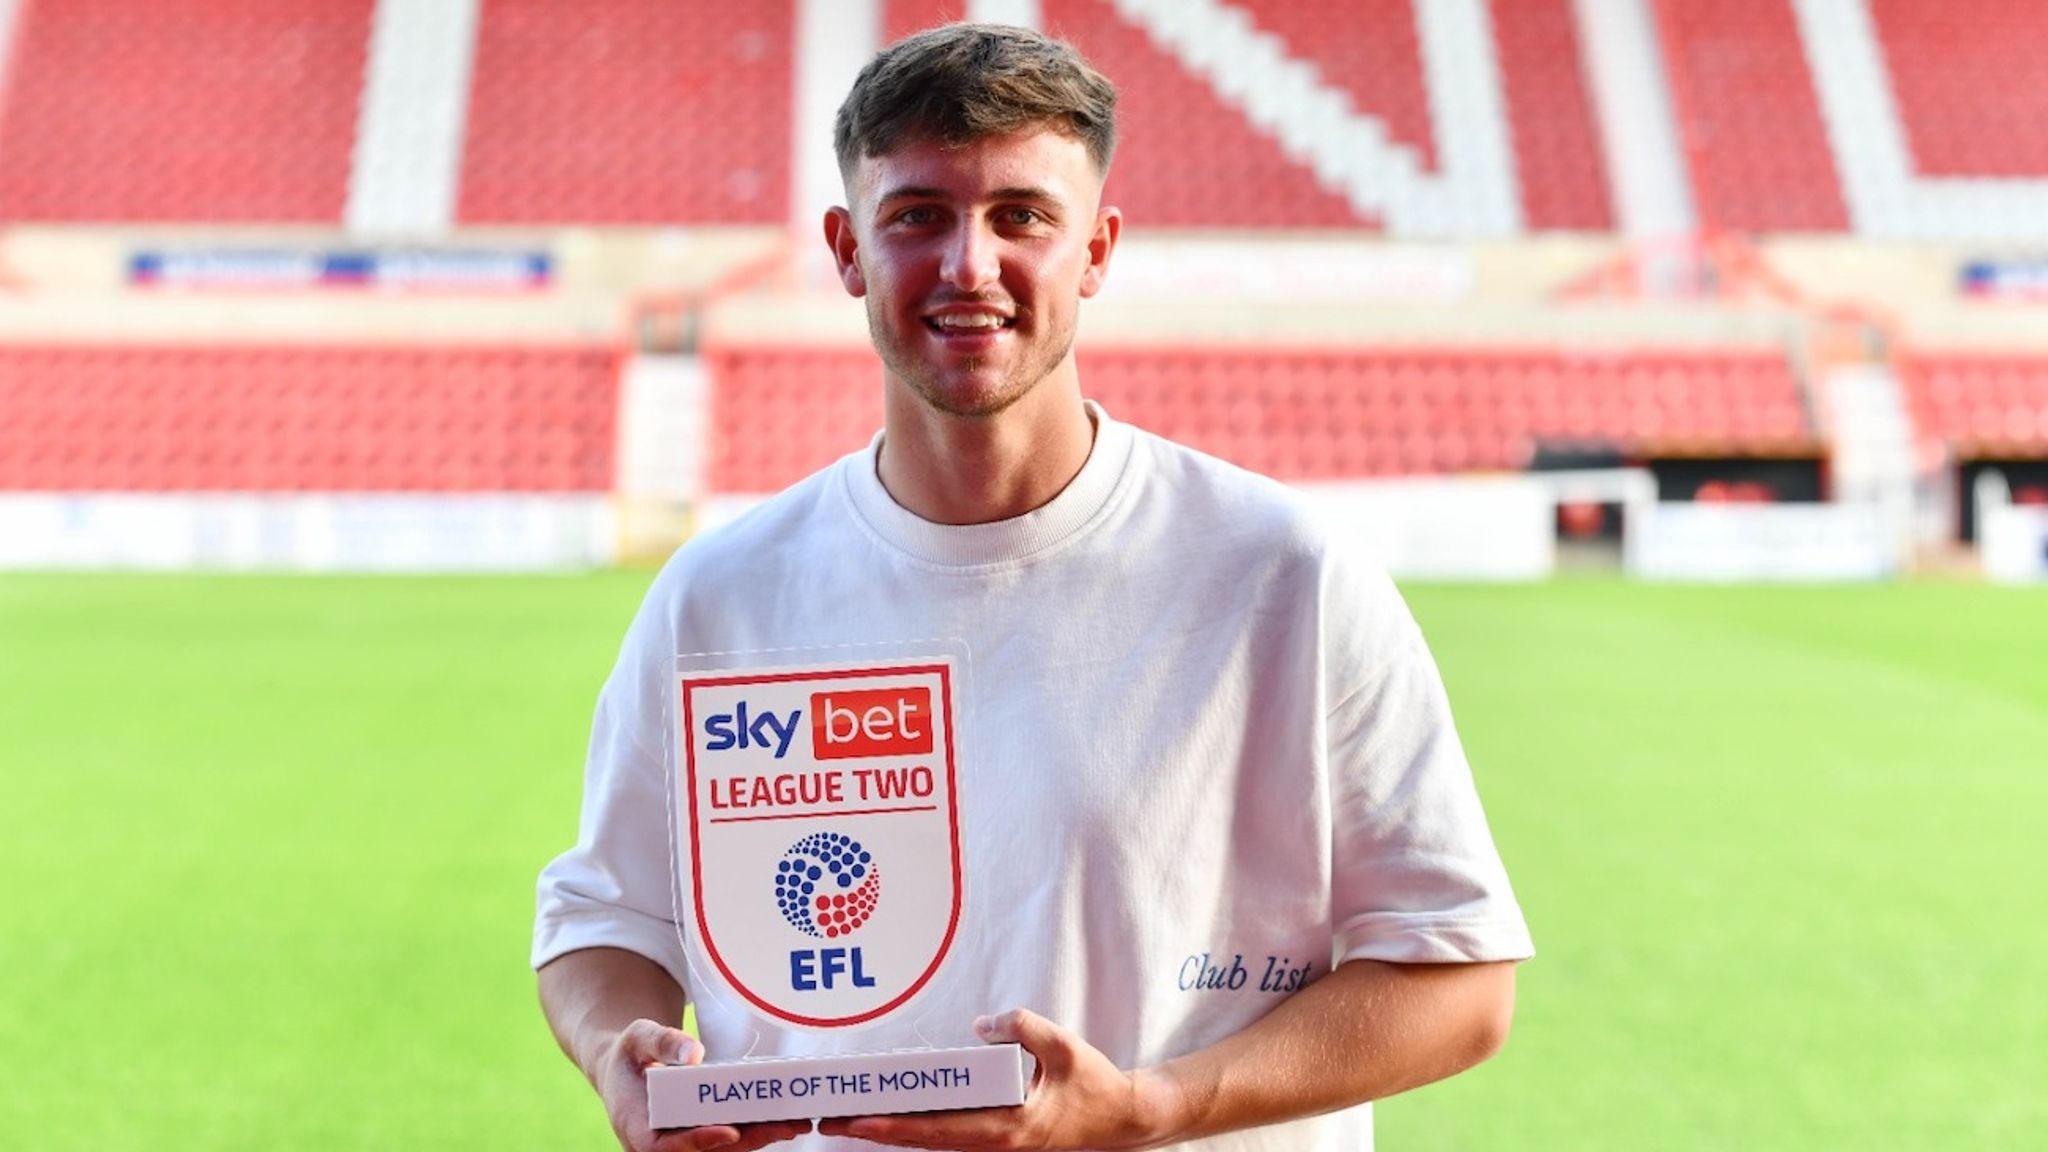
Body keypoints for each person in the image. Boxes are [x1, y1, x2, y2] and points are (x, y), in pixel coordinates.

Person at [534, 23, 1532, 1152]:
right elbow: (608, 918)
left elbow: (1458, 980)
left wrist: (1151, 1107)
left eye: (1021, 217)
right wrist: (616, 1048)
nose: (969, 265)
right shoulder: (719, 596)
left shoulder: (1284, 574)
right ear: (848, 249)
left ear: (1095, 251)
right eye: (918, 215)